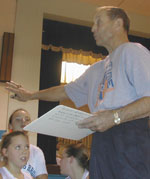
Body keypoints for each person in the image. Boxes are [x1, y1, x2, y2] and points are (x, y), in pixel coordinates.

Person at [6, 6, 150, 178]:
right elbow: (64, 91)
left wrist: (114, 117)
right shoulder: (97, 68)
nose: (92, 28)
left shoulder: (133, 51)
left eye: (98, 22)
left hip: (128, 137)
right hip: (100, 140)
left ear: (118, 23)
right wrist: (31, 95)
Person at [8, 109, 48, 179]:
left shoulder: (37, 151)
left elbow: (42, 176)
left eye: (27, 119)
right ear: (10, 125)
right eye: (18, 119)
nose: (23, 122)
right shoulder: (1, 146)